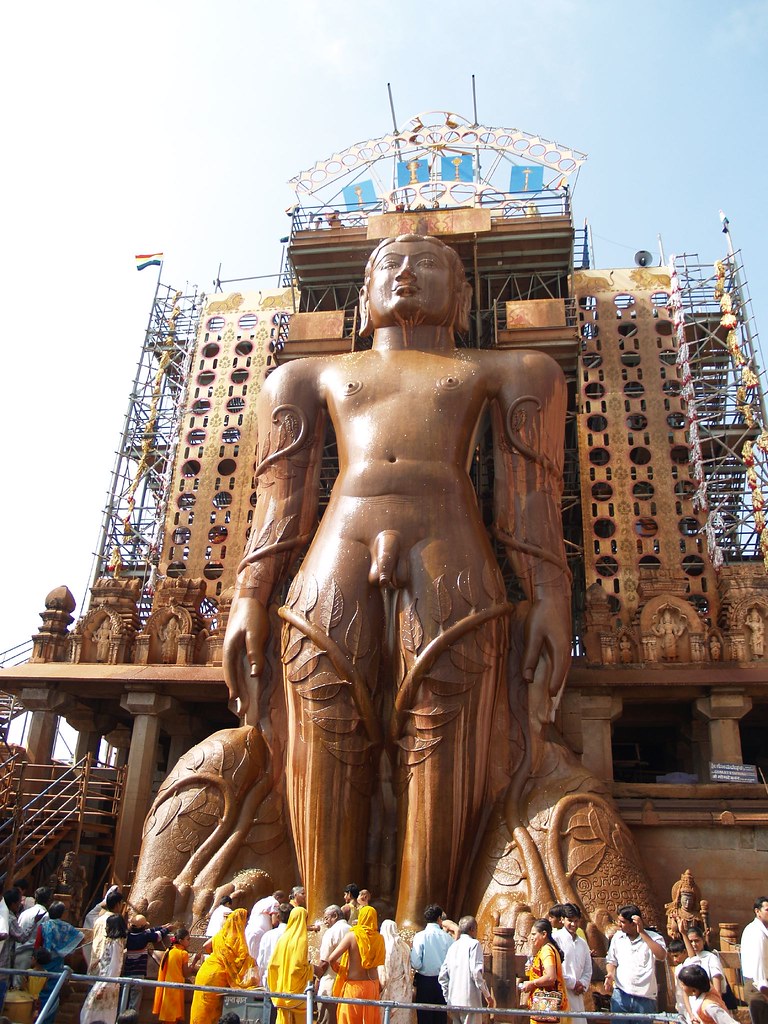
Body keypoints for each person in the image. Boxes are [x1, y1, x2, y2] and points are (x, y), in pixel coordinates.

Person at [223, 232, 570, 924]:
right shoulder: (306, 377)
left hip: (449, 544)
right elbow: (279, 507)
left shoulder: (504, 370)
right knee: (325, 711)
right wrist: (247, 597)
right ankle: (321, 921)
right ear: (363, 296)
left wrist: (552, 595)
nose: (407, 272)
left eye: (430, 264)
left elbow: (528, 500)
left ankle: (424, 921)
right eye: (390, 263)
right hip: (339, 548)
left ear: (464, 297)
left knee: (445, 717)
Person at [190, 908, 255, 1024]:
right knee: (211, 1011)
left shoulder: (221, 933)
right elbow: (241, 960)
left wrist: (217, 954)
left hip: (206, 969)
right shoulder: (237, 939)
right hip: (216, 976)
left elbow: (206, 945)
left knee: (199, 1008)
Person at [603, 904, 666, 1015]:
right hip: (621, 994)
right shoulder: (617, 937)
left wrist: (642, 932)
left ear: (633, 923)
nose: (619, 925)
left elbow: (661, 956)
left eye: (622, 922)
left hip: (645, 998)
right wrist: (610, 974)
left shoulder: (654, 937)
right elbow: (611, 961)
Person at [328, 905, 385, 1024]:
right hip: (372, 987)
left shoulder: (352, 936)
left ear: (361, 917)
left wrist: (340, 969)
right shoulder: (379, 938)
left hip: (354, 988)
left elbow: (331, 958)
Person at [438, 916, 494, 1024]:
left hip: (453, 1001)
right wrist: (487, 995)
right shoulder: (474, 944)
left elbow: (442, 976)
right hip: (469, 1002)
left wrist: (447, 997)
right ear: (472, 929)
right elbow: (476, 973)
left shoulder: (453, 947)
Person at [267, 906, 313, 1024]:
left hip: (282, 990)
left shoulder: (283, 938)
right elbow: (298, 967)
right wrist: (311, 968)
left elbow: (272, 964)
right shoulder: (301, 940)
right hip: (296, 993)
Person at [81, 913, 128, 1024]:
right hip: (105, 979)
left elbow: (115, 965)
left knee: (94, 1009)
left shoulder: (116, 943)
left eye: (108, 925)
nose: (106, 928)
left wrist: (105, 986)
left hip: (107, 982)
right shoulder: (114, 942)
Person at [411, 905, 454, 1024]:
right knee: (440, 1017)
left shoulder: (420, 936)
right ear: (439, 918)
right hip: (442, 982)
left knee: (424, 1017)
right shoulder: (447, 938)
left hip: (424, 982)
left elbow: (416, 963)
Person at [518, 918, 568, 1022]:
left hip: (546, 1003)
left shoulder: (546, 950)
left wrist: (532, 983)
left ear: (544, 934)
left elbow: (550, 977)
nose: (531, 938)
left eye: (533, 934)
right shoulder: (547, 949)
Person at [0, 888, 39, 1011]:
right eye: (18, 903)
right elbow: (21, 937)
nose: (19, 906)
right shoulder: (10, 919)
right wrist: (34, 923)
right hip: (3, 965)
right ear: (12, 904)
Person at [124, 914, 172, 1011]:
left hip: (128, 971)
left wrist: (161, 927)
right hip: (138, 973)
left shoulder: (129, 935)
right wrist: (167, 929)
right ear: (143, 927)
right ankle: (131, 1018)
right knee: (135, 998)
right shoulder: (143, 937)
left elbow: (149, 931)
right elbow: (157, 936)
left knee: (125, 996)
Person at [552, 904, 591, 1022]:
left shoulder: (582, 943)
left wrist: (582, 984)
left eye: (576, 921)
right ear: (562, 919)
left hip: (578, 994)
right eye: (570, 920)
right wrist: (572, 983)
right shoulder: (555, 939)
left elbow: (588, 969)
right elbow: (554, 968)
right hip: (561, 992)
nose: (573, 924)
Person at [153, 928, 197, 1024]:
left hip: (167, 988)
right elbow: (185, 973)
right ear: (181, 941)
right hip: (176, 989)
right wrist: (195, 961)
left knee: (168, 1018)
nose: (189, 941)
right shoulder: (183, 953)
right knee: (172, 1018)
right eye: (188, 939)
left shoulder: (169, 951)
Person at [315, 905, 351, 1024]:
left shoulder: (331, 932)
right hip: (347, 988)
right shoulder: (352, 931)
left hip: (330, 986)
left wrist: (314, 973)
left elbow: (324, 963)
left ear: (335, 916)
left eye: (326, 918)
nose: (325, 922)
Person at [259, 903, 291, 1024]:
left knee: (269, 1009)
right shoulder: (294, 936)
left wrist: (262, 977)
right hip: (288, 978)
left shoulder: (268, 935)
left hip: (269, 977)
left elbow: (261, 961)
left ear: (278, 917)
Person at [378, 920, 414, 1024]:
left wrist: (380, 989)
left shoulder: (388, 947)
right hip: (404, 989)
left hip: (391, 989)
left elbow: (386, 974)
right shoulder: (405, 946)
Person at [741, 896, 768, 1024]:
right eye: (767, 909)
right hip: (759, 988)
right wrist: (765, 991)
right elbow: (759, 966)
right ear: (757, 911)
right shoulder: (756, 933)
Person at [38, 901, 84, 970]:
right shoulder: (66, 927)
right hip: (58, 962)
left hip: (44, 960)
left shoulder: (43, 926)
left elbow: (38, 944)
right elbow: (80, 936)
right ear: (62, 913)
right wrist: (66, 949)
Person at [16, 886, 53, 969]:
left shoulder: (24, 913)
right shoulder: (46, 916)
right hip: (31, 955)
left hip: (17, 952)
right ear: (49, 900)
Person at [88, 889, 125, 973]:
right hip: (107, 963)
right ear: (118, 904)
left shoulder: (98, 920)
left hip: (95, 959)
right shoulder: (116, 922)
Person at [245, 894, 280, 961]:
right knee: (258, 960)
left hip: (249, 930)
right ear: (278, 897)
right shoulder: (275, 902)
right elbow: (274, 922)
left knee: (251, 959)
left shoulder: (260, 902)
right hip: (260, 933)